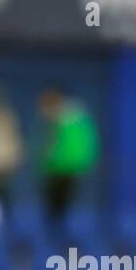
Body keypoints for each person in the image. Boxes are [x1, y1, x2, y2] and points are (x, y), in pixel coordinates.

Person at [38, 87, 99, 219]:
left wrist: (51, 160)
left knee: (62, 209)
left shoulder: (67, 121)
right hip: (64, 169)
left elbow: (65, 149)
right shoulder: (73, 119)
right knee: (60, 209)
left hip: (64, 169)